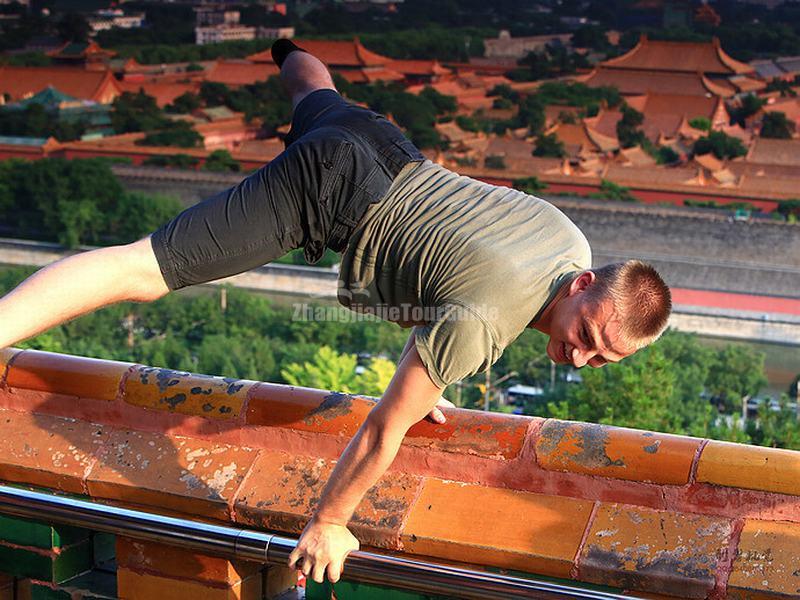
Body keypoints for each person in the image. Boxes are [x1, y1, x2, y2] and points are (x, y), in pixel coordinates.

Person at [0, 40, 672, 585]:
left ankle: (284, 45)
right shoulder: (483, 323)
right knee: (141, 272)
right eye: (586, 334)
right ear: (583, 285)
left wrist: (426, 374)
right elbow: (384, 432)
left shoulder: (568, 239)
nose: (580, 356)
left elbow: (454, 262)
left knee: (309, 87)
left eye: (601, 357)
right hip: (327, 191)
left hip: (377, 142)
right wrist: (328, 521)